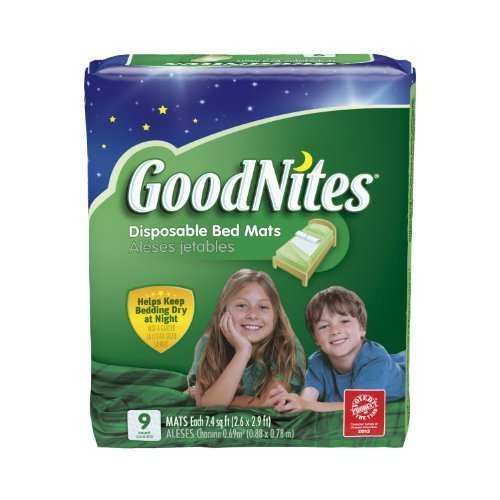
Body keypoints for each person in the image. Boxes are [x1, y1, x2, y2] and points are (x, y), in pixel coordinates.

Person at [271, 285, 406, 413]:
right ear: (316, 339)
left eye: (344, 321)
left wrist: (306, 405)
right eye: (324, 326)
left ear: (362, 328)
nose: (335, 331)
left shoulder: (375, 360)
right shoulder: (318, 362)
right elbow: (306, 399)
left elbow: (358, 406)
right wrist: (291, 401)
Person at [188, 269, 305, 407]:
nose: (253, 315)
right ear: (223, 310)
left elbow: (270, 401)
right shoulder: (209, 343)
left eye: (263, 307)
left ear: (276, 315)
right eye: (242, 305)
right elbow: (206, 405)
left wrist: (217, 398)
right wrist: (243, 352)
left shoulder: (286, 345)